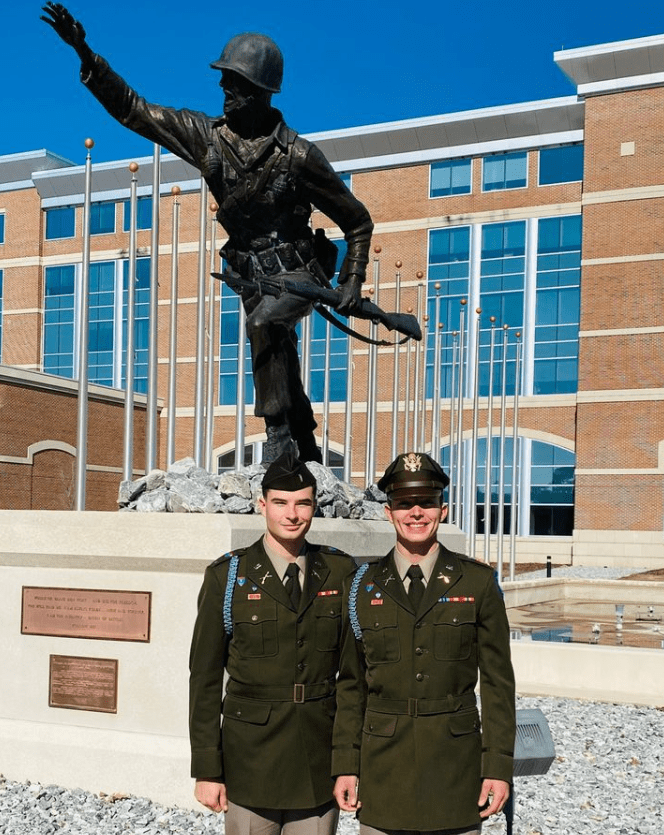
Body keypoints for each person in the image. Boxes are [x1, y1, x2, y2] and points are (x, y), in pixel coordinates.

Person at [41, 3, 374, 463]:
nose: (223, 87)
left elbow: (357, 221)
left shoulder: (300, 156)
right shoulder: (207, 137)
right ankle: (305, 441)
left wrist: (351, 281)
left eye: (234, 81)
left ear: (259, 91)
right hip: (250, 273)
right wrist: (86, 54)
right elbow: (135, 111)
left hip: (300, 270)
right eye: (224, 78)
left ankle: (278, 439)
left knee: (266, 324)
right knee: (279, 350)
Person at [332, 452, 516, 835]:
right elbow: (351, 685)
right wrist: (346, 765)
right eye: (404, 504)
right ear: (389, 513)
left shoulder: (477, 582)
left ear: (443, 509)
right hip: (384, 771)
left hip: (455, 769)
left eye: (426, 503)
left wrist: (497, 767)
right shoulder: (361, 587)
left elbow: (498, 685)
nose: (416, 513)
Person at [188, 450, 357, 835]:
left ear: (315, 508)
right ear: (262, 505)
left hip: (317, 759)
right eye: (280, 503)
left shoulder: (340, 572)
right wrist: (207, 769)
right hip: (250, 761)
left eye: (303, 503)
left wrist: (348, 762)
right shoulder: (228, 576)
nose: (292, 514)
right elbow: (205, 679)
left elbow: (351, 678)